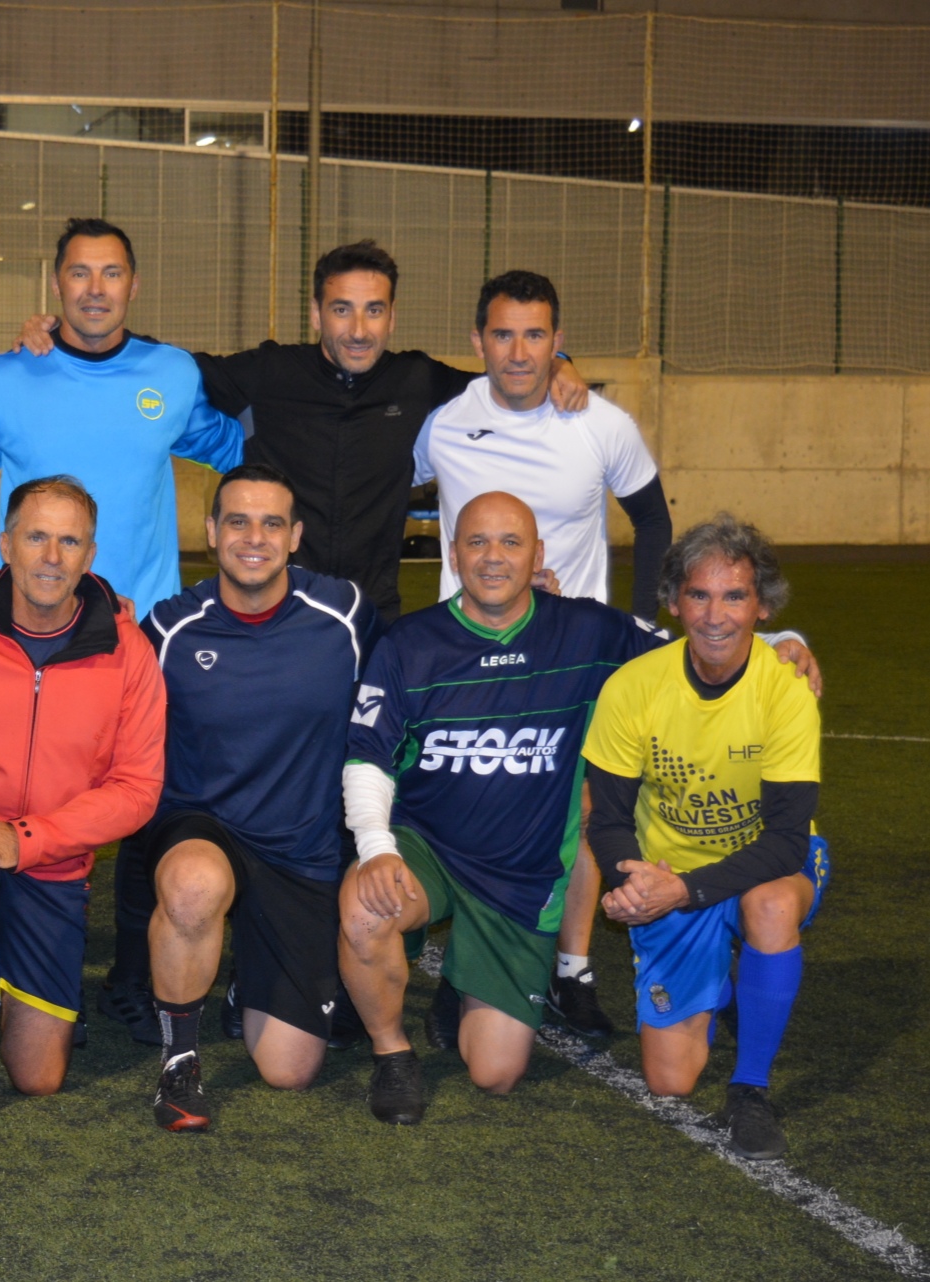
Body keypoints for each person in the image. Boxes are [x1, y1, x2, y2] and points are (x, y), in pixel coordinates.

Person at [16, 240, 590, 623]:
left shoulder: (418, 381)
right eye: (342, 310)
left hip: (375, 617)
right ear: (316, 314)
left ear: (392, 315)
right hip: (278, 614)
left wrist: (559, 361)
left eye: (374, 311)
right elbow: (156, 365)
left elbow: (509, 376)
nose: (359, 329)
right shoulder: (268, 374)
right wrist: (61, 334)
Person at [338, 492, 673, 1125]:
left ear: (538, 555)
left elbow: (691, 653)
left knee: (495, 1074)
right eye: (477, 542)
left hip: (520, 877)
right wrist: (378, 850)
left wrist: (779, 644)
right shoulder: (410, 643)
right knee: (363, 908)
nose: (494, 558)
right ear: (453, 552)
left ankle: (466, 978)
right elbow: (367, 757)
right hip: (427, 847)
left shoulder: (587, 630)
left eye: (511, 543)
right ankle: (393, 1054)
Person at [412, 268, 672, 1041]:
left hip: (574, 658)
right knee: (466, 803)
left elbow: (652, 521)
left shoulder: (600, 423)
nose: (517, 352)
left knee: (585, 812)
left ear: (558, 342)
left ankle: (572, 968)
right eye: (502, 334)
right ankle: (466, 967)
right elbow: (382, 493)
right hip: (465, 653)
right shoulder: (444, 424)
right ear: (476, 341)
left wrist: (629, 626)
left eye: (534, 335)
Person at [0, 476, 166, 1158]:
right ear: (5, 544)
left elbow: (137, 789)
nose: (51, 555)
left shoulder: (126, 648)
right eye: (36, 536)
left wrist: (27, 839)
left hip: (51, 852)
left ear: (90, 554)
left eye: (68, 541)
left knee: (38, 1077)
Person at [132, 464, 381, 1131]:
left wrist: (532, 603)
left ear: (295, 536)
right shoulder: (168, 628)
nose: (254, 537)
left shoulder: (344, 615)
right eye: (237, 520)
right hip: (200, 824)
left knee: (289, 1070)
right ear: (211, 532)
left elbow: (422, 661)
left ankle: (248, 976)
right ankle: (179, 1064)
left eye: (271, 523)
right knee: (191, 887)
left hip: (298, 846)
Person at [583, 515, 825, 1162]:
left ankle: (749, 1090)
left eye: (734, 596)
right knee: (669, 1080)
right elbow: (605, 820)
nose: (714, 615)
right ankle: (723, 979)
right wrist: (631, 883)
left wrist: (680, 892)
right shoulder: (631, 688)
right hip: (667, 871)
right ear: (671, 601)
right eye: (697, 594)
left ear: (762, 606)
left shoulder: (786, 689)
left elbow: (784, 844)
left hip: (755, 869)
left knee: (769, 906)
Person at [0, 217, 245, 610]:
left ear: (133, 286)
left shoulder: (173, 374)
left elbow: (237, 449)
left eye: (112, 274)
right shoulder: (4, 378)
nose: (96, 290)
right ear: (56, 284)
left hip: (143, 627)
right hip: (33, 627)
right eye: (80, 273)